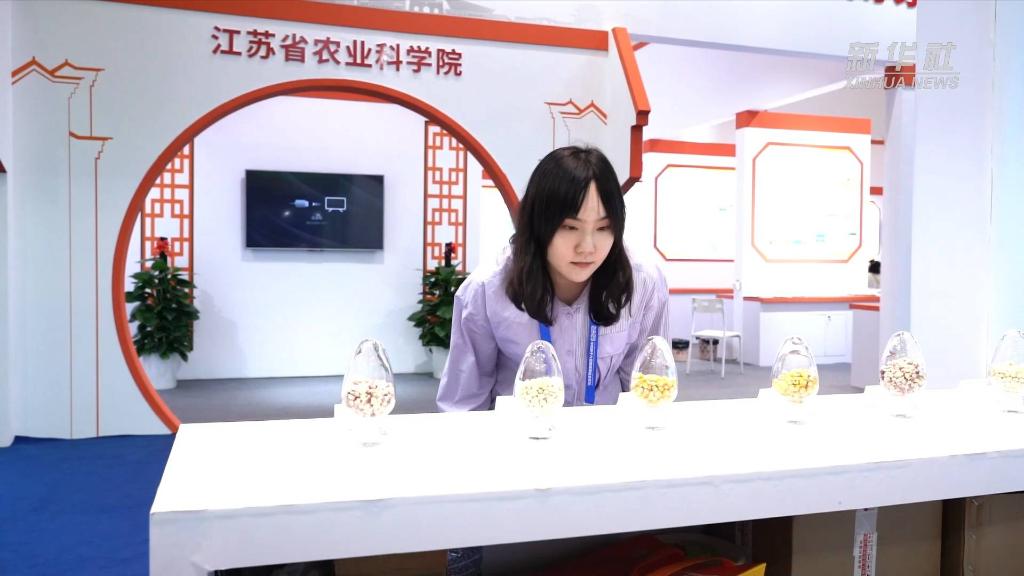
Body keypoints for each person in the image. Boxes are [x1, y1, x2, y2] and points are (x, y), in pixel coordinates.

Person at [436, 146, 669, 412]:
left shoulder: (643, 283)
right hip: (521, 432)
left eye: (604, 227)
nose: (587, 247)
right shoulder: (485, 290)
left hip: (607, 434)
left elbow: (650, 392)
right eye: (569, 227)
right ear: (537, 223)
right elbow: (463, 405)